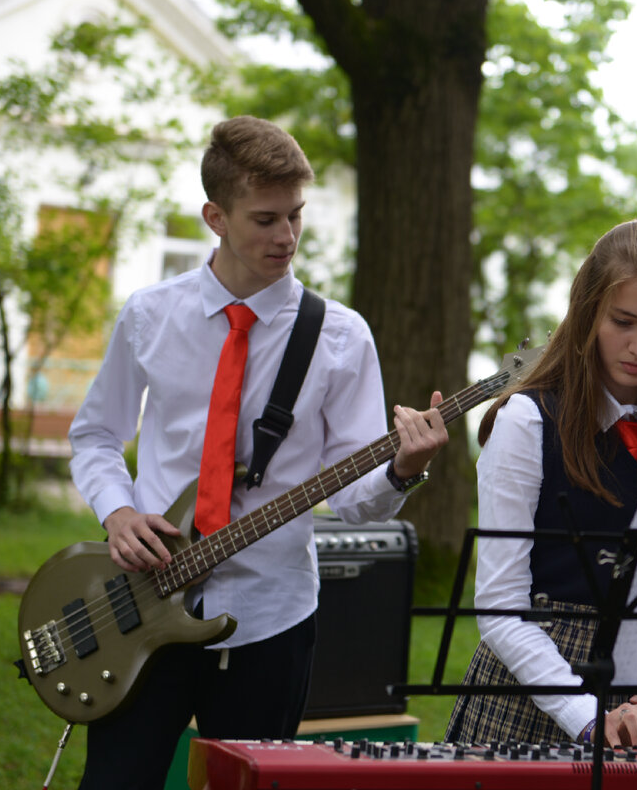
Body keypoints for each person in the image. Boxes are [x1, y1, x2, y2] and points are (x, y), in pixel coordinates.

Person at [67, 115, 448, 788]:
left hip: (271, 618)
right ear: (215, 216)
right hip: (141, 605)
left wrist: (404, 468)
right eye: (265, 219)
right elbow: (96, 435)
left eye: (296, 216)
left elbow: (359, 507)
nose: (287, 237)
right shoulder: (150, 315)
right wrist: (118, 514)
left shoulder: (341, 337)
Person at [445, 219, 637, 749]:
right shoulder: (526, 420)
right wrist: (588, 717)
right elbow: (500, 608)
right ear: (588, 309)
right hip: (531, 693)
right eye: (623, 321)